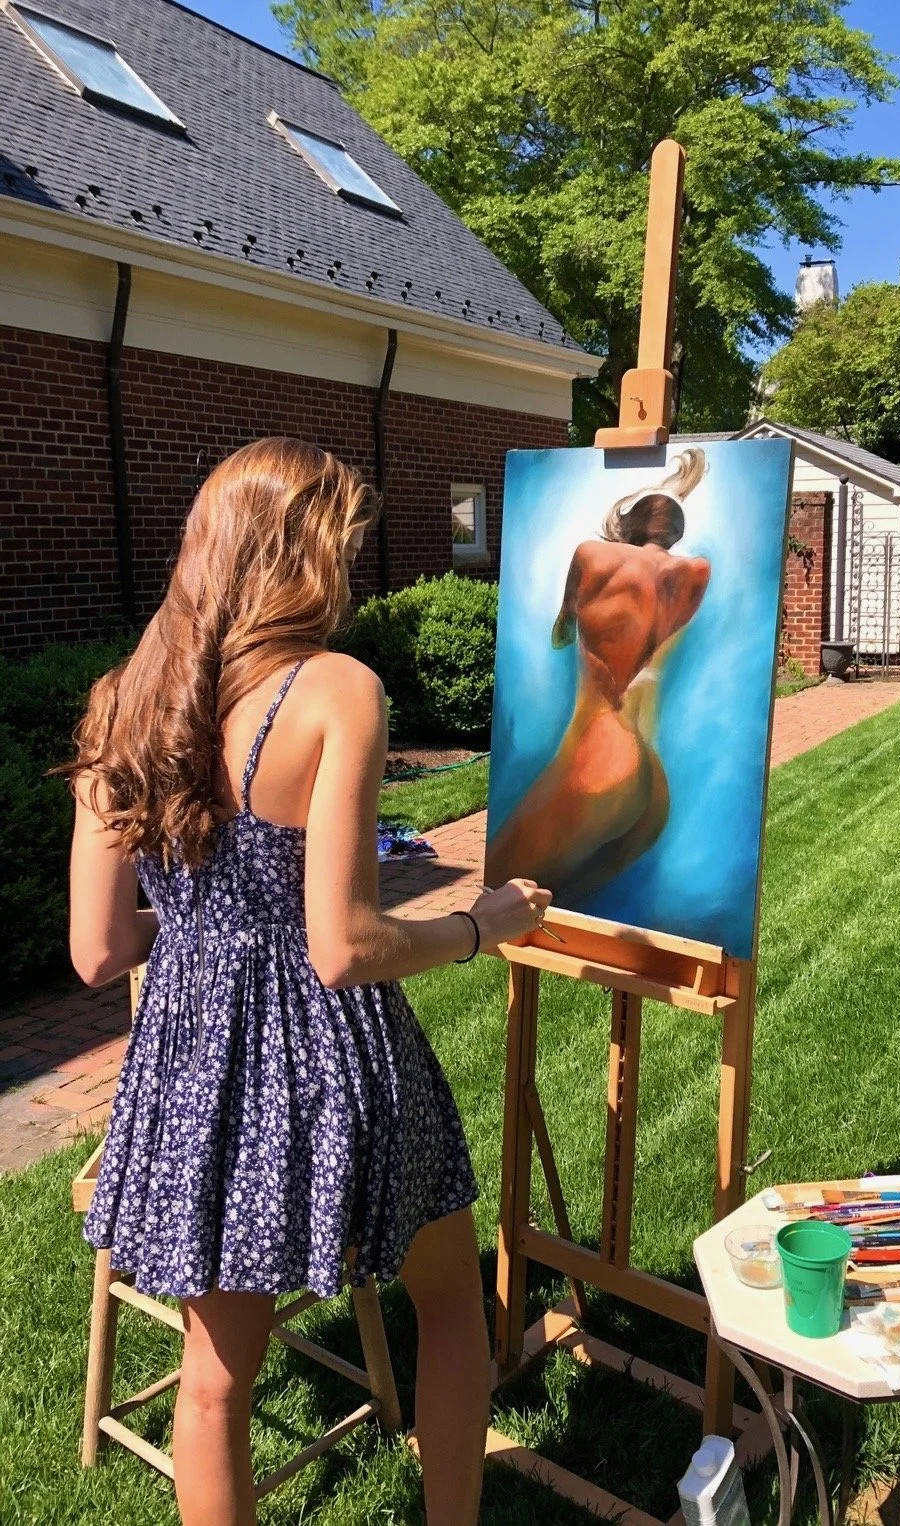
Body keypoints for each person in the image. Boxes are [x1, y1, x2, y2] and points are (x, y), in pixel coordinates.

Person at [63, 437, 551, 1526]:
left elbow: (95, 950)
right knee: (448, 1299)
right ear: (298, 553)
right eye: (341, 542)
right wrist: (480, 923)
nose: (348, 565)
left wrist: (206, 929)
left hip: (189, 1068)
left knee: (216, 1374)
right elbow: (343, 947)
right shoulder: (336, 688)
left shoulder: (119, 702)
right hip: (333, 1054)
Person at [486, 447, 710, 899]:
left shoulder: (593, 555)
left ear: (626, 526)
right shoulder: (693, 574)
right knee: (565, 903)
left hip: (600, 752)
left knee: (502, 891)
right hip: (650, 776)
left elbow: (560, 632)